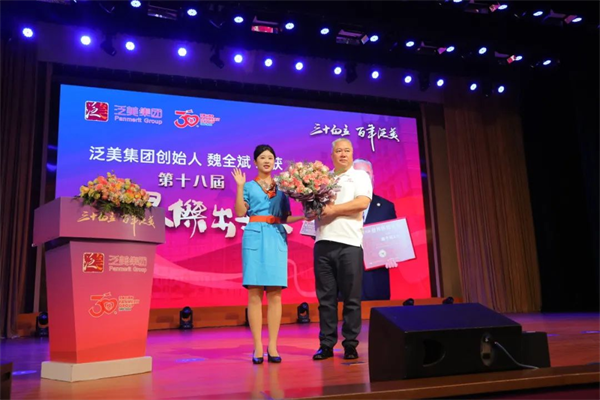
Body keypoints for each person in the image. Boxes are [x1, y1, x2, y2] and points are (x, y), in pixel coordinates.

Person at [232, 145, 304, 365]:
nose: (266, 161)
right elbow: (240, 212)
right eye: (262, 157)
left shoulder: (282, 187)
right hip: (254, 235)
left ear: (275, 161)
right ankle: (257, 346)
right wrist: (240, 187)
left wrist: (304, 217)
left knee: (275, 294)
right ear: (255, 162)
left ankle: (272, 345)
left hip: (276, 236)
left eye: (270, 158)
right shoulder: (249, 186)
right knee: (254, 293)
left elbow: (285, 217)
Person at [309, 138, 373, 360]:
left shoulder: (360, 176)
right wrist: (310, 209)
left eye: (347, 150)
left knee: (351, 298)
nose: (343, 154)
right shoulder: (322, 179)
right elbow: (313, 209)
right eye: (339, 151)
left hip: (350, 245)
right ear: (332, 155)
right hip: (323, 243)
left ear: (352, 154)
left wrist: (333, 210)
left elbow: (362, 202)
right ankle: (326, 344)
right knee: (325, 299)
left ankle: (350, 344)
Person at [353, 159, 398, 301]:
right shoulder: (339, 206)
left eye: (367, 173)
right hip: (347, 283)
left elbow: (394, 240)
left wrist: (392, 255)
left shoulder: (386, 207)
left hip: (376, 283)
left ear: (373, 177)